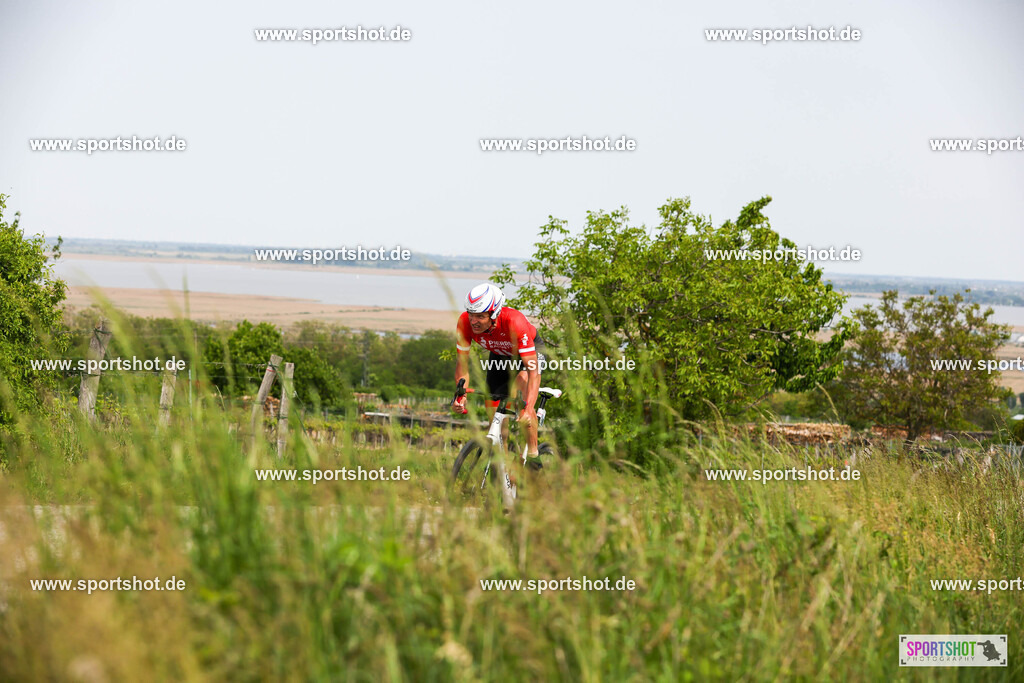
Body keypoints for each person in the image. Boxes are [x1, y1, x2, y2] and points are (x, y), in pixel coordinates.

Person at [452, 282, 543, 471]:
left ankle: (534, 457)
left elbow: (533, 371)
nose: (473, 321)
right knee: (496, 418)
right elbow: (462, 364)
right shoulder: (464, 323)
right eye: (471, 314)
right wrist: (461, 396)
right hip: (500, 356)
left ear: (494, 315)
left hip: (528, 352)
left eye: (480, 316)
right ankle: (504, 469)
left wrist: (529, 407)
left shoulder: (513, 322)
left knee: (523, 387)